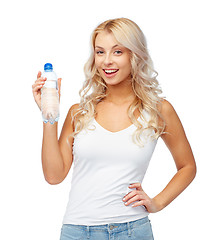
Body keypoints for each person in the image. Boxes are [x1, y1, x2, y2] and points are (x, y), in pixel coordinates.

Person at [32, 18, 196, 240]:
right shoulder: (79, 112)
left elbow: (187, 167)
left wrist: (157, 203)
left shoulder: (158, 110)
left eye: (117, 52)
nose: (106, 61)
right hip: (78, 231)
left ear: (134, 55)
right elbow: (53, 176)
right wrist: (48, 113)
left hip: (133, 230)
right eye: (100, 52)